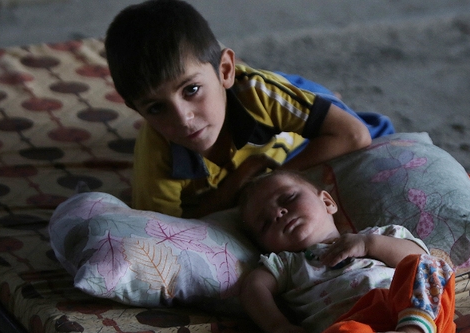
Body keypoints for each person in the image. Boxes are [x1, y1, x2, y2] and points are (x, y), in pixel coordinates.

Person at [104, 0, 394, 218]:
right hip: (265, 136)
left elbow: (353, 135)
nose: (183, 118)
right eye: (156, 108)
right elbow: (170, 235)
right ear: (138, 111)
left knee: (340, 115)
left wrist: (267, 179)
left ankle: (322, 96)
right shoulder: (157, 157)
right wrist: (240, 182)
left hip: (289, 134)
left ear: (226, 69)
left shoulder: (257, 93)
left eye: (191, 90)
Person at [238, 171, 466, 333]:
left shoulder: (377, 236)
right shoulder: (287, 264)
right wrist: (279, 327)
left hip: (423, 326)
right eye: (265, 223)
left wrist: (369, 244)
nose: (278, 213)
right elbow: (253, 287)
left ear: (327, 202)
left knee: (426, 264)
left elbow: (417, 258)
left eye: (288, 198)